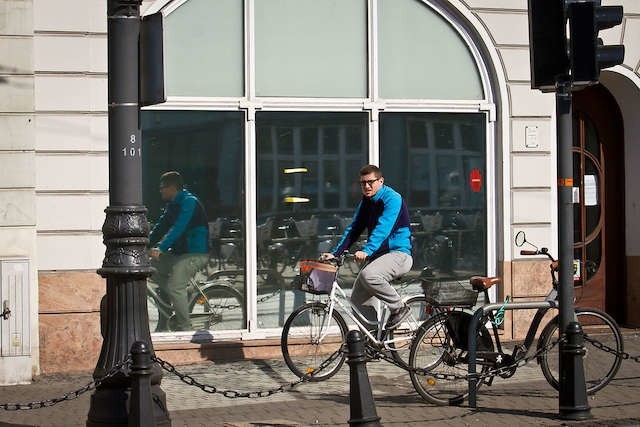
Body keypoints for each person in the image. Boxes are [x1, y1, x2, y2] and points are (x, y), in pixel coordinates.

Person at [322, 164, 413, 330]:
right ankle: (371, 342)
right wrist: (336, 253)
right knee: (357, 300)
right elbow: (354, 228)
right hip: (379, 257)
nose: (367, 186)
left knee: (368, 275)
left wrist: (367, 250)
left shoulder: (392, 199)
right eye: (363, 183)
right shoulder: (367, 202)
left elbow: (383, 227)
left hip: (398, 254)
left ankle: (399, 307)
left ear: (381, 181)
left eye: (371, 182)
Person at [149, 171, 209, 331]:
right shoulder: (172, 205)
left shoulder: (189, 201)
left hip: (195, 254)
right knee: (150, 268)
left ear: (172, 187)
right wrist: (145, 244)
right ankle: (177, 299)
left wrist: (161, 248)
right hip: (179, 254)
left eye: (162, 187)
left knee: (175, 286)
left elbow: (179, 228)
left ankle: (185, 328)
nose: (160, 190)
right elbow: (160, 227)